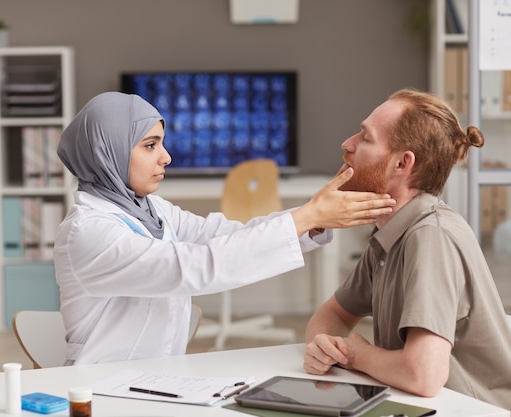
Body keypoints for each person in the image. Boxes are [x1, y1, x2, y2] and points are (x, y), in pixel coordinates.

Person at [54, 91, 395, 365]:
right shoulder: (88, 232)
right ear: (106, 151)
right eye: (150, 145)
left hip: (156, 378)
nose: (166, 157)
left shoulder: (151, 209)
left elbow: (224, 235)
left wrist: (313, 217)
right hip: (101, 391)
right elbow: (194, 266)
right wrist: (306, 217)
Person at [303, 88, 511, 411]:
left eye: (366, 138)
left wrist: (356, 354)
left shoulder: (431, 238)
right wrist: (326, 346)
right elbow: (332, 315)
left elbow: (423, 375)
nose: (347, 144)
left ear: (402, 163)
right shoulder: (390, 233)